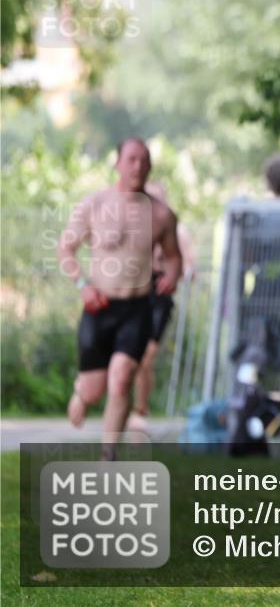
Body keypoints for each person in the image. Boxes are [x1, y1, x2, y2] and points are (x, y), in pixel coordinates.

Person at [58, 138, 181, 460]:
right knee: (94, 389)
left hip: (137, 308)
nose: (138, 166)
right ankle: (81, 394)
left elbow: (173, 257)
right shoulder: (94, 205)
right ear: (118, 164)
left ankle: (107, 454)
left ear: (150, 166)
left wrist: (171, 276)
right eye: (131, 159)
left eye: (144, 160)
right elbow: (65, 249)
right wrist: (83, 284)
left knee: (123, 377)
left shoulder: (162, 214)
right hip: (99, 306)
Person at [127, 180, 196, 433]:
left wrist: (177, 275)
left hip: (161, 294)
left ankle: (140, 410)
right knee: (132, 355)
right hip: (137, 291)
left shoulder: (176, 231)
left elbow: (189, 264)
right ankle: (130, 407)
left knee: (146, 355)